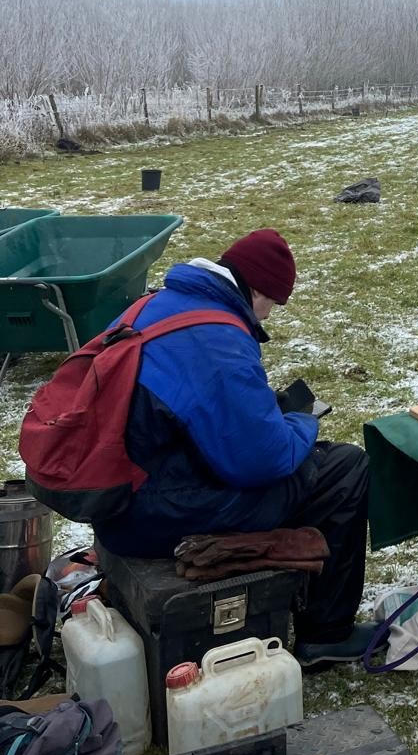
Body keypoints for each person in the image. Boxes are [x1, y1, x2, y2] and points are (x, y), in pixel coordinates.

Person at [90, 230, 373, 668]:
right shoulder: (217, 337)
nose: (269, 314)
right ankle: (327, 634)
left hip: (119, 499)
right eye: (272, 303)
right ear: (255, 289)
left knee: (305, 462)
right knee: (341, 467)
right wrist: (302, 421)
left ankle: (288, 597)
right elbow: (264, 460)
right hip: (151, 515)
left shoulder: (154, 306)